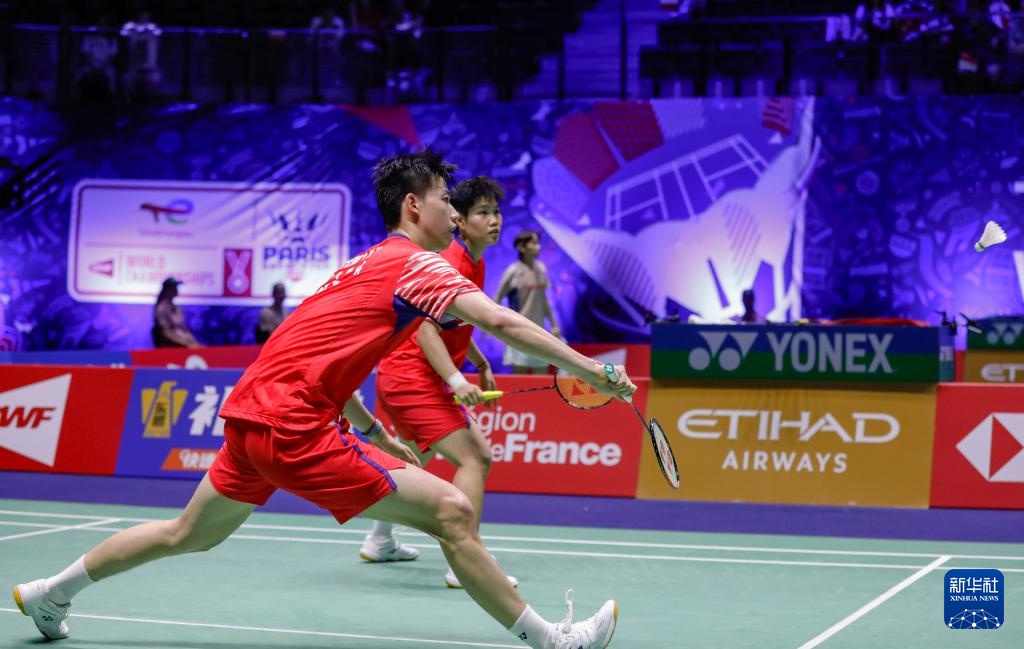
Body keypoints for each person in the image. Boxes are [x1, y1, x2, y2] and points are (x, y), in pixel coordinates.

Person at [12, 150, 629, 649]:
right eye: (446, 198)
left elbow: (312, 353)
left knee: (186, 533)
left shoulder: (359, 266)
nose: (453, 208)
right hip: (294, 425)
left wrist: (371, 431)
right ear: (414, 205)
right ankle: (554, 641)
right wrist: (592, 370)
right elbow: (501, 320)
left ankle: (50, 593)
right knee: (452, 512)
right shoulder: (420, 266)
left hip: (252, 415)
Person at [362, 176, 511, 588]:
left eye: (496, 212)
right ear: (459, 220)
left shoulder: (475, 262)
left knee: (413, 457)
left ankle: (379, 539)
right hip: (413, 377)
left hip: (406, 376)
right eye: (482, 213)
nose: (494, 220)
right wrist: (455, 379)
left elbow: (454, 323)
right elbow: (426, 329)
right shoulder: (453, 261)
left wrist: (479, 362)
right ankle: (466, 561)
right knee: (476, 457)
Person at [494, 230, 561, 374]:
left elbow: (544, 300)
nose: (538, 247)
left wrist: (554, 325)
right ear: (521, 247)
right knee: (520, 379)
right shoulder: (512, 272)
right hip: (518, 333)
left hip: (539, 332)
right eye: (534, 243)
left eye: (538, 243)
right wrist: (496, 326)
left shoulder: (541, 269)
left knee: (542, 377)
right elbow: (497, 299)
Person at [152, 277, 201, 348]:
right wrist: (185, 343)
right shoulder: (161, 308)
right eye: (173, 287)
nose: (176, 289)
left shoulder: (176, 307)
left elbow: (183, 328)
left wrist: (193, 342)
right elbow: (165, 332)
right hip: (171, 344)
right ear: (167, 290)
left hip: (183, 340)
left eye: (176, 287)